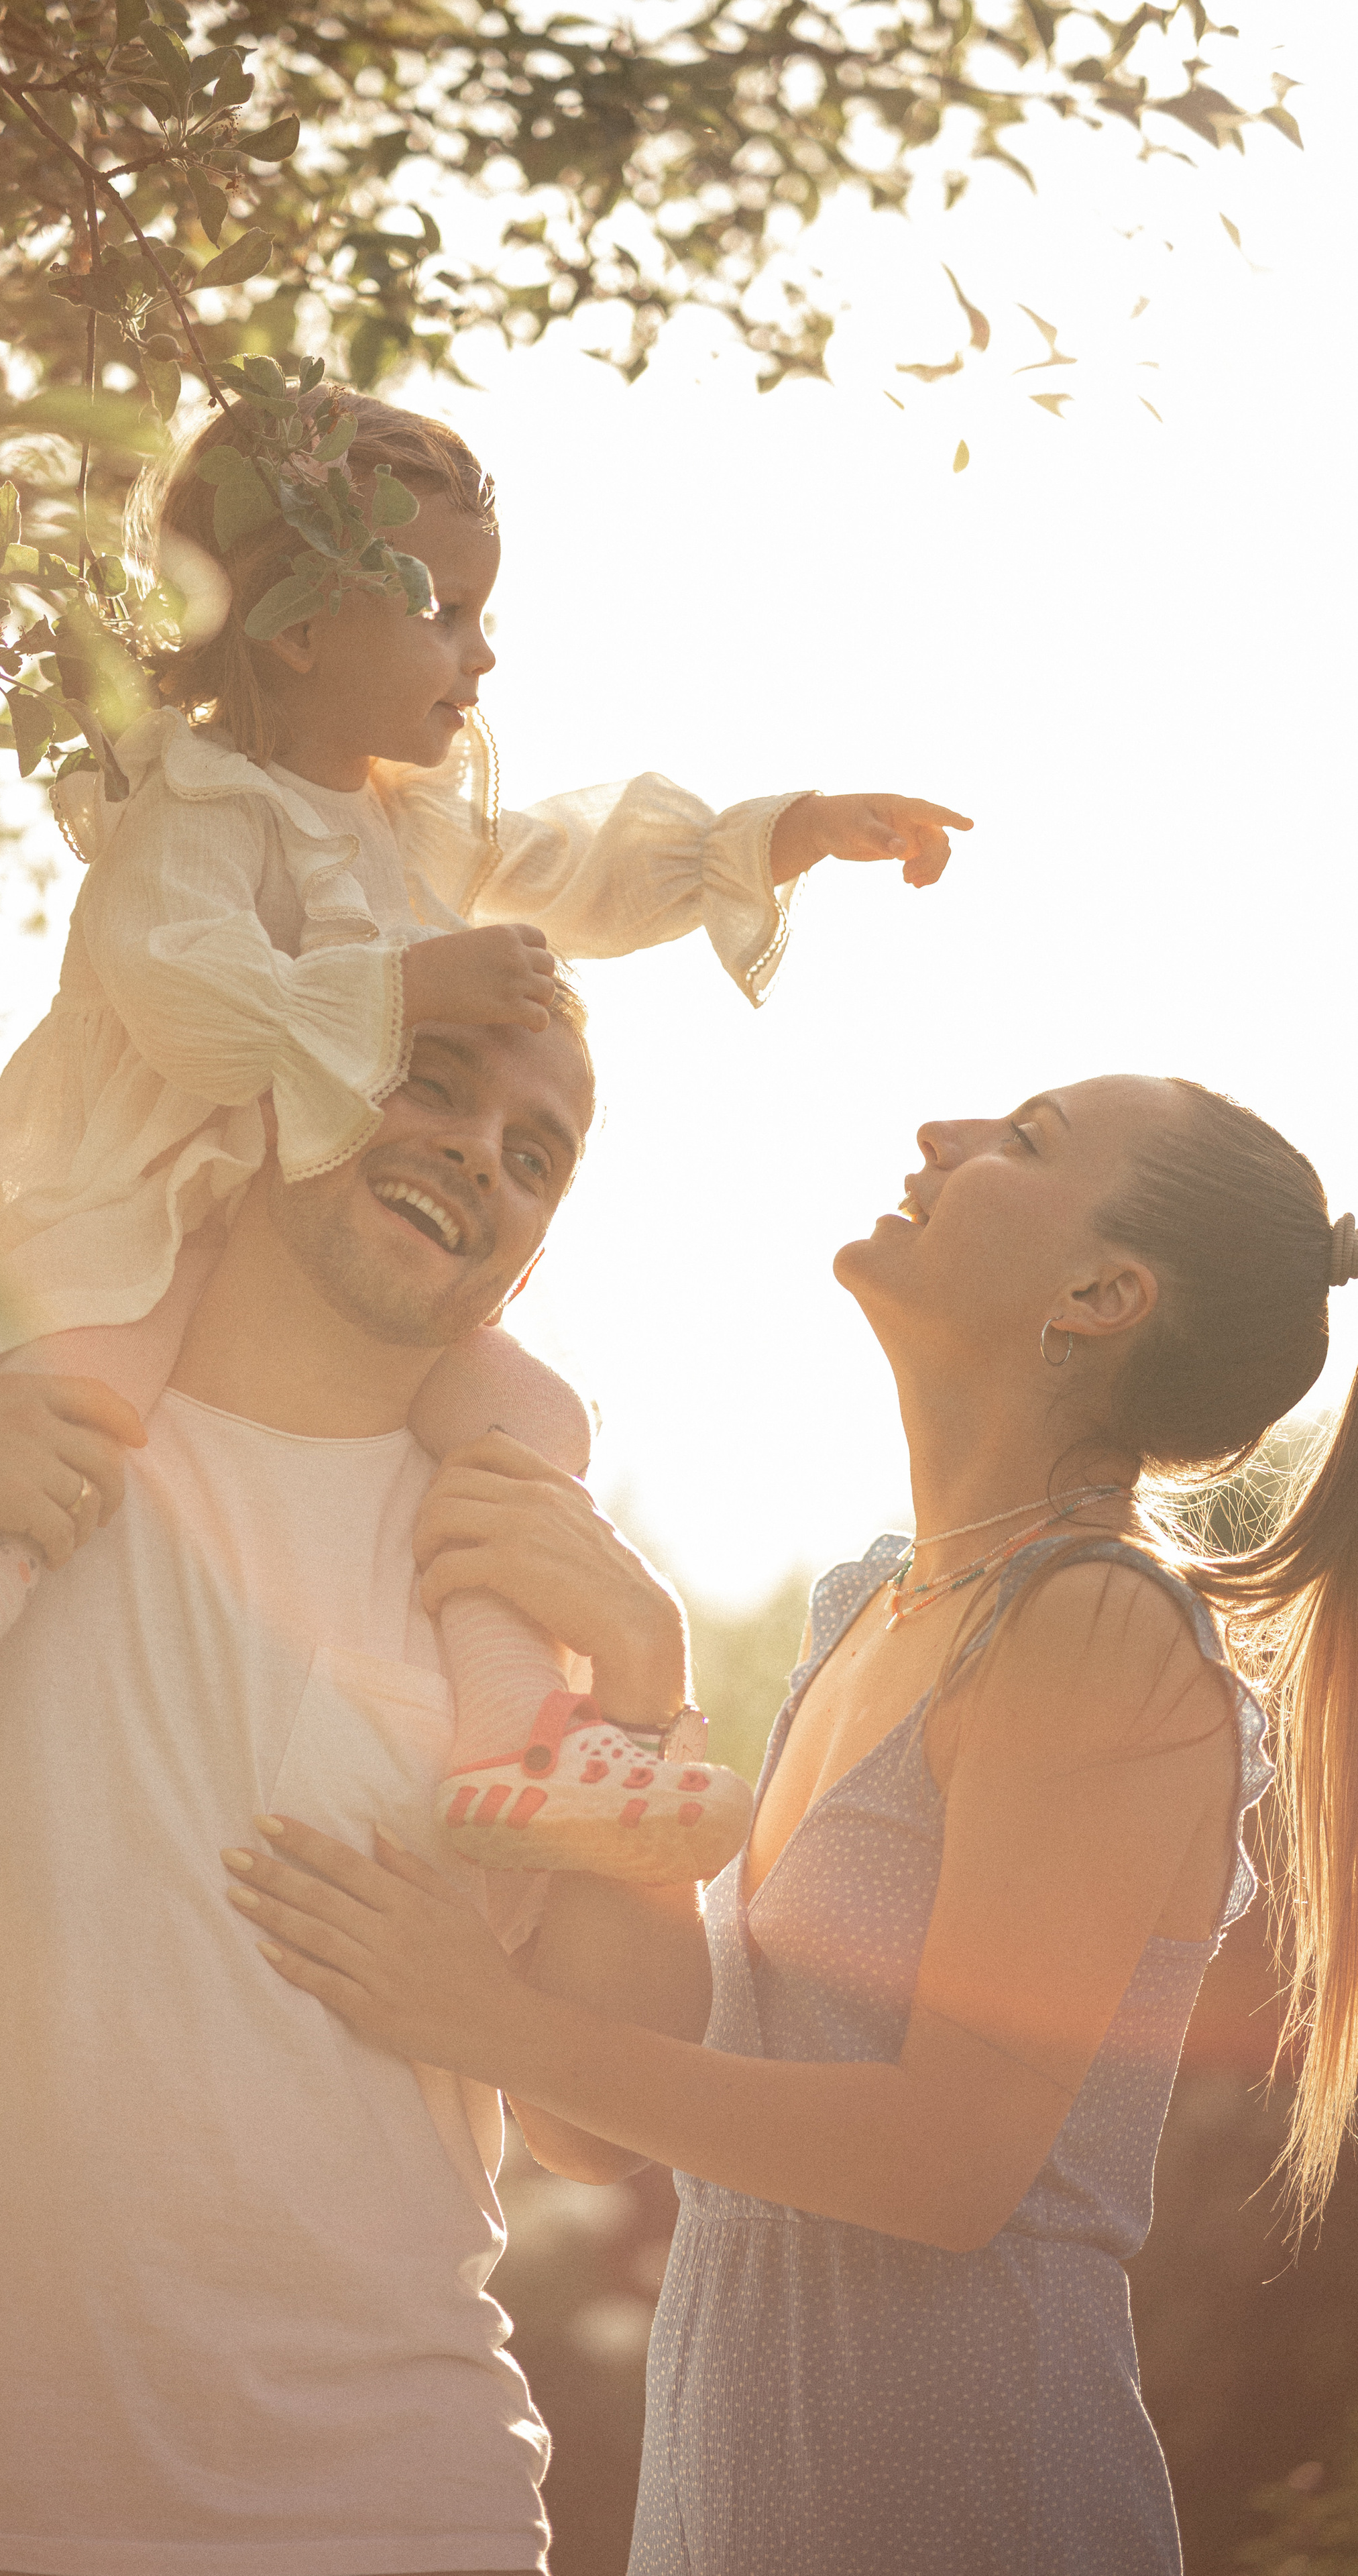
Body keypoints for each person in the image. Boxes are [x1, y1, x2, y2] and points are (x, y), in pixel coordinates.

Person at [0, 383, 970, 1878]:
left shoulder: (416, 821)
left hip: (317, 1242)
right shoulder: (201, 806)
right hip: (152, 1217)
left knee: (529, 1420)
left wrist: (776, 831)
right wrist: (403, 983)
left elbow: (571, 862)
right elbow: (174, 991)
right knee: (50, 1420)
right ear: (295, 630)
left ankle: (509, 1734)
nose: (481, 654)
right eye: (445, 611)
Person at [215, 1071, 1358, 2575]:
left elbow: (948, 2167)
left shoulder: (1096, 1626)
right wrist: (632, 1693)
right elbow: (591, 2129)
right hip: (736, 2501)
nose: (936, 1136)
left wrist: (482, 2019)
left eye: (1020, 1142)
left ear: (1098, 1291)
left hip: (971, 2510)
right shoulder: (872, 1605)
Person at [0, 989, 714, 2576]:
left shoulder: (515, 1556)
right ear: (274, 1069)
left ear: (529, 1257)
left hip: (396, 2517)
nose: (478, 1155)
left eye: (534, 1156)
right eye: (428, 1079)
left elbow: (595, 2129)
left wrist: (642, 1685)